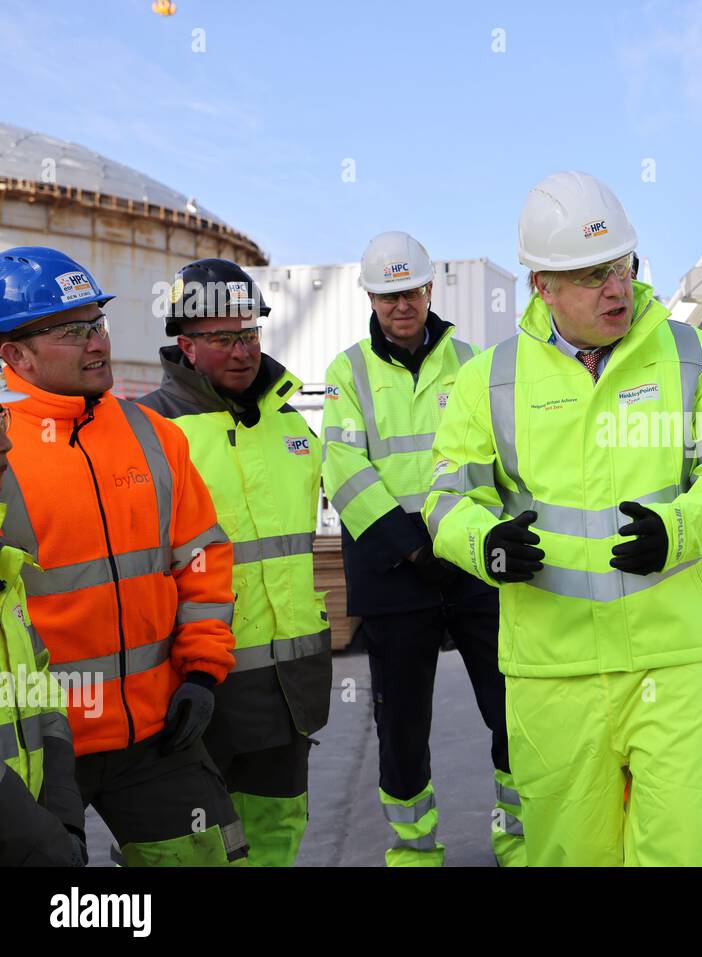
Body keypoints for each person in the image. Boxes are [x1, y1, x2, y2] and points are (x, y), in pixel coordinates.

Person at [424, 170, 702, 866]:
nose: (615, 287)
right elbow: (445, 496)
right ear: (541, 285)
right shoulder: (490, 379)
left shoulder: (696, 358)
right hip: (554, 670)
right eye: (588, 276)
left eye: (622, 266)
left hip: (676, 660)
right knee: (567, 853)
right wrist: (483, 542)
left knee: (689, 852)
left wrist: (678, 530)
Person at [0, 246, 245, 866]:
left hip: (159, 733)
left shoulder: (156, 437)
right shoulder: (2, 453)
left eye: (98, 324)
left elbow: (202, 561)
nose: (96, 344)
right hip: (40, 752)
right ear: (14, 355)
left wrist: (201, 672)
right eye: (71, 330)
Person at [323, 231, 522, 866]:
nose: (400, 305)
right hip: (394, 568)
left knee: (512, 711)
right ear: (372, 298)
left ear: (429, 289)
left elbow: (492, 457)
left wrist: (462, 540)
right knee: (401, 725)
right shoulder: (347, 371)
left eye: (410, 291)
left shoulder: (473, 362)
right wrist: (413, 549)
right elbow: (344, 470)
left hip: (468, 561)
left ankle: (517, 838)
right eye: (388, 294)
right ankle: (414, 852)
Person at [137, 259, 332, 865]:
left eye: (248, 333)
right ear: (185, 345)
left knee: (278, 827)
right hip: (196, 685)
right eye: (222, 339)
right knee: (199, 844)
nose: (241, 350)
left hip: (289, 682)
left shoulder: (289, 423)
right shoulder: (150, 430)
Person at [0, 375, 87, 866]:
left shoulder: (7, 566)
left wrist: (63, 810)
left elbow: (40, 692)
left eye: (0, 417)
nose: (6, 441)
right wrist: (44, 841)